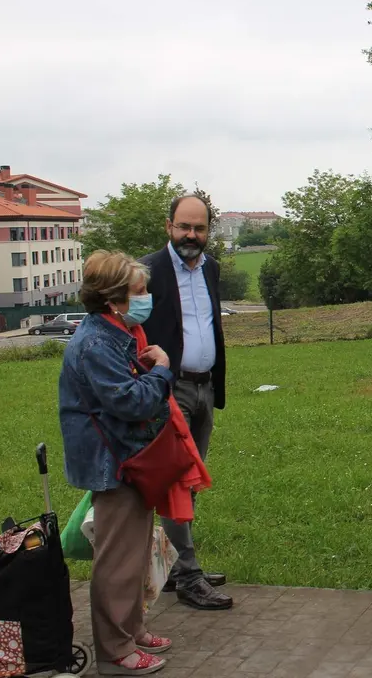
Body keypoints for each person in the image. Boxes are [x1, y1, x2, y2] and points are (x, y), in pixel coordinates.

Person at [58, 250, 174, 675]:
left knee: (136, 552)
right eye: (139, 291)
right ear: (114, 300)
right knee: (117, 560)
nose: (146, 298)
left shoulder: (117, 332)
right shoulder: (96, 343)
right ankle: (115, 649)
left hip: (130, 459)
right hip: (113, 463)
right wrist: (161, 369)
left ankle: (132, 627)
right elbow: (131, 401)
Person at [139, 194, 232, 611]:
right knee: (175, 481)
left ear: (208, 230)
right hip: (168, 389)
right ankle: (190, 576)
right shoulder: (148, 270)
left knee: (190, 481)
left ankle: (177, 565)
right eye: (184, 227)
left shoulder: (210, 268)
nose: (191, 236)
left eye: (199, 228)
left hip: (205, 387)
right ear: (168, 227)